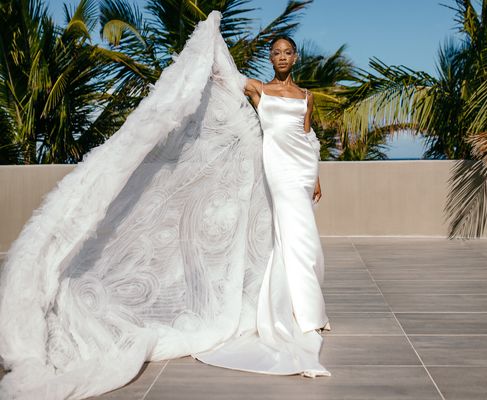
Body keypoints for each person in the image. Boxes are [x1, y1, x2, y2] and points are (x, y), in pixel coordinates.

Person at [0, 11, 330, 400]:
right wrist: (211, 35)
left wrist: (318, 175)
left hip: (302, 169)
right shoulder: (259, 90)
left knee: (303, 238)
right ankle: (304, 316)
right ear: (271, 58)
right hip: (277, 170)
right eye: (275, 52)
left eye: (287, 52)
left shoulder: (307, 97)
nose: (281, 57)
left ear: (295, 58)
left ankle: (310, 311)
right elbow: (225, 78)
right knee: (290, 234)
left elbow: (308, 139)